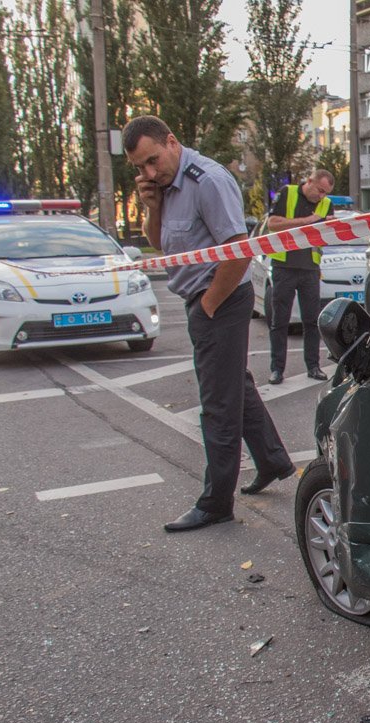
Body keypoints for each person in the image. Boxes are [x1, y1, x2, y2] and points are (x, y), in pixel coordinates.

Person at [124, 115, 297, 533]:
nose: (149, 172)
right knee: (234, 386)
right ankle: (273, 461)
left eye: (152, 160)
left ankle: (216, 502)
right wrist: (153, 205)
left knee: (218, 405)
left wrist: (208, 306)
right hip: (204, 300)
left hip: (219, 299)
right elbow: (161, 243)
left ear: (172, 140)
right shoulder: (166, 188)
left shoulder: (208, 181)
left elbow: (237, 252)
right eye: (140, 167)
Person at [266, 169, 334, 384]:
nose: (321, 196)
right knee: (280, 321)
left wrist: (330, 227)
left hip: (310, 268)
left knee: (311, 321)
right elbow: (272, 223)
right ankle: (277, 369)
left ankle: (313, 366)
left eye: (326, 193)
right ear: (310, 181)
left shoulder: (326, 204)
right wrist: (306, 221)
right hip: (284, 266)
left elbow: (327, 237)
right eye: (320, 190)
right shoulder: (288, 193)